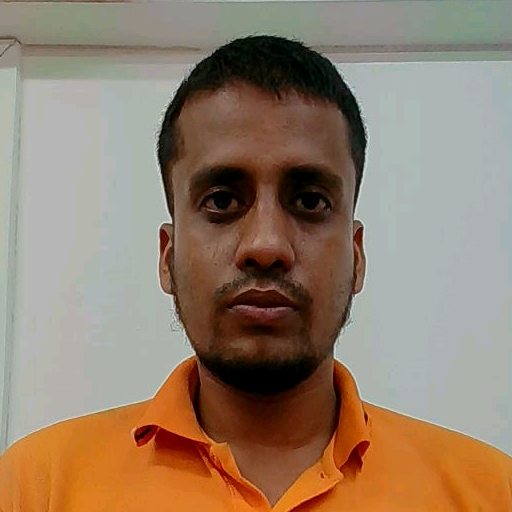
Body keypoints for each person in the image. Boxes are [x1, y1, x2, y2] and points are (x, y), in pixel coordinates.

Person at [0, 34, 511, 511]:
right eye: (222, 201)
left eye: (310, 201)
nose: (266, 245)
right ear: (167, 255)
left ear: (356, 256)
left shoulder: (488, 491)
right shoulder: (38, 487)